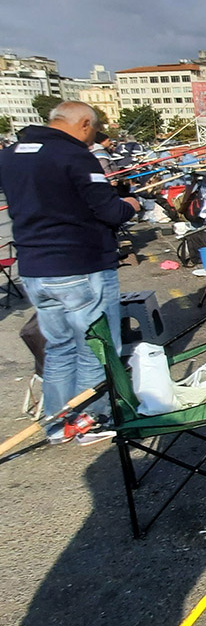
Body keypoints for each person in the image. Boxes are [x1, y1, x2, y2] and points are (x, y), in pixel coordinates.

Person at [0, 101, 139, 444]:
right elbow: (109, 212)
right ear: (83, 125)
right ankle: (91, 424)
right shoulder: (75, 155)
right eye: (92, 130)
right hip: (80, 266)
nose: (91, 137)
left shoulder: (12, 154)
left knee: (59, 347)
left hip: (33, 269)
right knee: (96, 347)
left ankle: (57, 426)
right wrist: (131, 205)